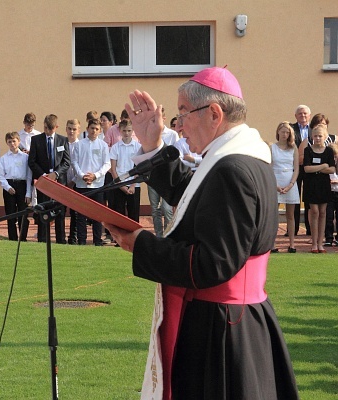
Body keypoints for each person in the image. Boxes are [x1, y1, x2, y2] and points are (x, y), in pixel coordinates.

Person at [106, 67, 299, 399]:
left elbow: (214, 263)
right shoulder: (242, 156)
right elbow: (195, 197)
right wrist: (152, 145)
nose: (178, 126)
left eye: (182, 114)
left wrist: (142, 245)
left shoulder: (231, 169)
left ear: (214, 113)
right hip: (237, 319)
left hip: (221, 330)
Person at [28, 114, 70, 244]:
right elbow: (32, 161)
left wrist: (56, 174)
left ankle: (61, 240)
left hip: (58, 182)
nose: (47, 131)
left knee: (60, 212)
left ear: (56, 127)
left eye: (50, 129)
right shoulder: (36, 140)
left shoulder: (63, 140)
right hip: (44, 182)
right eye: (46, 128)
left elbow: (66, 162)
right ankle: (42, 239)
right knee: (43, 211)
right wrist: (44, 175)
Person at [72, 118, 110, 246]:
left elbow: (107, 164)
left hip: (98, 185)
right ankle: (82, 241)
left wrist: (95, 176)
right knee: (81, 215)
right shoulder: (79, 144)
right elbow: (75, 162)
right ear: (87, 129)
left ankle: (97, 240)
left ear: (100, 131)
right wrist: (83, 176)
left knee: (97, 215)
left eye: (97, 129)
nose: (94, 131)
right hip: (82, 185)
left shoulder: (103, 145)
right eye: (92, 128)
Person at [303, 125, 336, 253]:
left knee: (323, 212)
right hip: (311, 184)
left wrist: (316, 168)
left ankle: (320, 243)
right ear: (312, 137)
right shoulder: (308, 150)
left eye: (320, 136)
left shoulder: (328, 151)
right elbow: (307, 168)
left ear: (325, 137)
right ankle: (314, 243)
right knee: (314, 211)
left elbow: (332, 169)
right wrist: (323, 166)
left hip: (324, 185)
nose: (317, 138)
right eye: (315, 136)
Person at [147, 108, 179, 237]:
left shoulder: (172, 134)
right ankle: (159, 236)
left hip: (168, 177)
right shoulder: (149, 133)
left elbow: (177, 156)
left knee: (166, 209)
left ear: (164, 119)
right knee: (155, 209)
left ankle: (168, 235)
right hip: (153, 176)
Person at [270, 122, 300, 253]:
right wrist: (275, 185)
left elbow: (296, 168)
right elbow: (269, 166)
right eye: (282, 132)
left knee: (290, 215)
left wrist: (291, 184)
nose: (284, 134)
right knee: (273, 215)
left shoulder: (293, 148)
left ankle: (292, 244)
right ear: (278, 132)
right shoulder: (272, 147)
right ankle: (272, 244)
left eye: (287, 132)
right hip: (275, 180)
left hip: (290, 181)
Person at [0, 131, 31, 241]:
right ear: (7, 143)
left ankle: (23, 237)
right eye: (9, 141)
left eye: (14, 141)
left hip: (22, 185)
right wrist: (8, 187)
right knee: (10, 214)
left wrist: (28, 192)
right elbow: (1, 176)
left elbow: (29, 175)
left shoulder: (25, 157)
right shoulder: (4, 158)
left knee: (23, 213)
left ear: (19, 141)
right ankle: (12, 238)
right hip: (9, 185)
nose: (12, 144)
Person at [109, 119, 142, 223]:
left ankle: (135, 237)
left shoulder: (138, 147)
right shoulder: (115, 147)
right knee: (119, 212)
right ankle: (120, 237)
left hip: (134, 184)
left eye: (129, 130)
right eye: (124, 131)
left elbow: (139, 167)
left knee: (134, 213)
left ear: (133, 131)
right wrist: (121, 186)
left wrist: (132, 185)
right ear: (120, 131)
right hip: (119, 184)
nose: (127, 133)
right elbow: (113, 169)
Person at [290, 104, 311, 235]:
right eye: (300, 113)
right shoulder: (290, 129)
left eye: (305, 113)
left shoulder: (315, 129)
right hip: (294, 168)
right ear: (295, 116)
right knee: (294, 198)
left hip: (309, 168)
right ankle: (294, 229)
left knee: (309, 198)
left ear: (309, 115)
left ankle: (310, 229)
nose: (302, 116)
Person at [65, 119, 81, 244]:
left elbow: (82, 165)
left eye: (74, 129)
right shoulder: (61, 143)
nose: (71, 131)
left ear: (78, 130)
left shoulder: (81, 145)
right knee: (59, 211)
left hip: (77, 182)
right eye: (69, 128)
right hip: (62, 182)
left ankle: (73, 237)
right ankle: (61, 237)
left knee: (75, 212)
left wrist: (73, 181)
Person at [325, 143, 338, 246]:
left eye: (335, 155)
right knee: (328, 217)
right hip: (329, 193)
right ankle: (328, 238)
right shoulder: (326, 164)